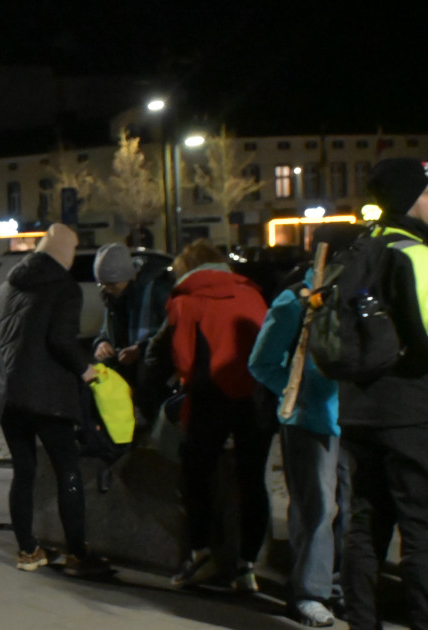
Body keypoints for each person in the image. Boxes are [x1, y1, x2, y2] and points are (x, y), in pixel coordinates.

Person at [248, 226, 362, 627]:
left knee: (351, 511)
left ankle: (341, 588)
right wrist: (299, 391)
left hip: (353, 419)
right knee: (317, 509)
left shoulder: (357, 296)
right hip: (310, 420)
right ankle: (309, 594)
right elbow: (261, 363)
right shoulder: (296, 300)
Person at [146, 239, 273, 591]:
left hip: (210, 399)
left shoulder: (186, 300)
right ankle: (247, 567)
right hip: (256, 399)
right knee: (253, 482)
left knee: (196, 475)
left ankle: (201, 555)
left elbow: (184, 359)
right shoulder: (252, 293)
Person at [337, 158, 428, 630]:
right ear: (412, 199)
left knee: (364, 526)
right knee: (421, 529)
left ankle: (362, 624)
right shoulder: (413, 252)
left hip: (357, 410)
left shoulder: (361, 247)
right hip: (409, 411)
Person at [0, 224, 109, 577]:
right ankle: (78, 552)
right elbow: (61, 340)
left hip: (9, 393)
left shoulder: (10, 284)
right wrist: (85, 369)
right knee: (68, 469)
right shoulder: (65, 288)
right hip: (48, 396)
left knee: (23, 471)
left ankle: (28, 550)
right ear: (66, 254)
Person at [92, 242, 175, 421]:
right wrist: (102, 343)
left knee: (153, 410)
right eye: (103, 284)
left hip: (153, 372)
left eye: (112, 284)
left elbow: (171, 329)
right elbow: (105, 332)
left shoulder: (157, 289)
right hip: (128, 370)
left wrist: (140, 349)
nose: (108, 289)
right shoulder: (112, 297)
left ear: (128, 276)